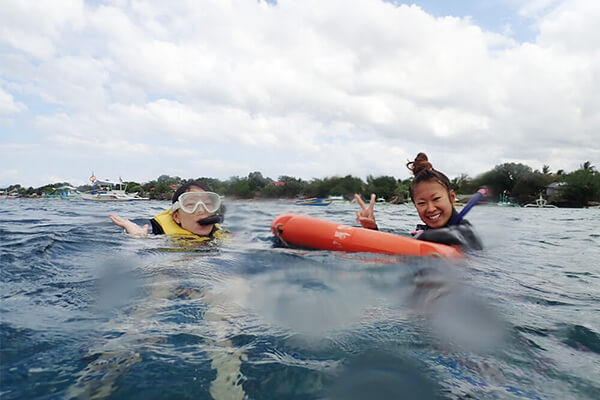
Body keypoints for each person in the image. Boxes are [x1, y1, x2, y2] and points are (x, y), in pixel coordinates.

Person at [355, 152, 482, 249]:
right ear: (415, 205)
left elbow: (456, 236)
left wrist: (421, 237)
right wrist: (372, 230)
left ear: (452, 197)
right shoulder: (423, 230)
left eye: (436, 199)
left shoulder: (465, 230)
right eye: (421, 203)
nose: (431, 208)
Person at [109, 180, 226, 239]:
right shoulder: (164, 241)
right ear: (176, 217)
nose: (201, 210)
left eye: (208, 204)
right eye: (191, 204)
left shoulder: (227, 238)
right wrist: (138, 238)